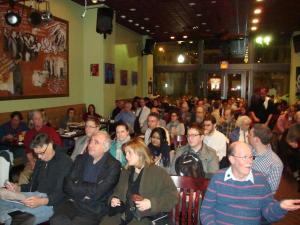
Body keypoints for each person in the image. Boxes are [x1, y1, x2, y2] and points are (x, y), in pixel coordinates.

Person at [200, 141, 300, 225]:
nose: (250, 162)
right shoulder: (218, 178)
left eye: (251, 157)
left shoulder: (260, 180)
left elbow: (269, 214)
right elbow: (206, 211)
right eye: (244, 157)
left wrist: (280, 207)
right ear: (232, 159)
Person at [100, 138, 178, 225]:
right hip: (122, 213)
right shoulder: (125, 172)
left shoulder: (158, 173)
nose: (126, 157)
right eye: (126, 153)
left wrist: (151, 203)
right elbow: (117, 192)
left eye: (129, 153)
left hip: (145, 218)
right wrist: (114, 199)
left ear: (140, 154)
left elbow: (173, 197)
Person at [50, 131, 121, 225]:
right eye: (91, 141)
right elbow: (67, 184)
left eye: (96, 142)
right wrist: (89, 189)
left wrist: (77, 185)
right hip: (73, 202)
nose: (90, 145)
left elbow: (99, 192)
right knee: (56, 220)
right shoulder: (80, 159)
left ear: (106, 148)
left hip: (93, 208)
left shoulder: (114, 165)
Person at [0, 133, 72, 225]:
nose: (39, 157)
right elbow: (32, 186)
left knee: (18, 220)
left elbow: (62, 193)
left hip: (51, 203)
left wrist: (41, 201)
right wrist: (18, 188)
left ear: (50, 144)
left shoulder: (65, 162)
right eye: (37, 154)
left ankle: (15, 213)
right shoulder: (41, 161)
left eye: (41, 153)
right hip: (34, 196)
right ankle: (16, 211)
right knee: (2, 201)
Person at [22, 110, 62, 184]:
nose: (39, 120)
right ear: (32, 120)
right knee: (24, 176)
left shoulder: (50, 131)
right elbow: (28, 150)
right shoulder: (29, 134)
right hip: (34, 161)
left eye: (40, 118)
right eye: (36, 118)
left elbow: (58, 148)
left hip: (49, 161)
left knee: (43, 178)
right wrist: (31, 162)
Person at [248, 124, 283, 193]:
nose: (247, 136)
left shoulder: (275, 163)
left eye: (250, 134)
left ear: (256, 140)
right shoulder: (249, 150)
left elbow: (271, 191)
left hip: (255, 197)